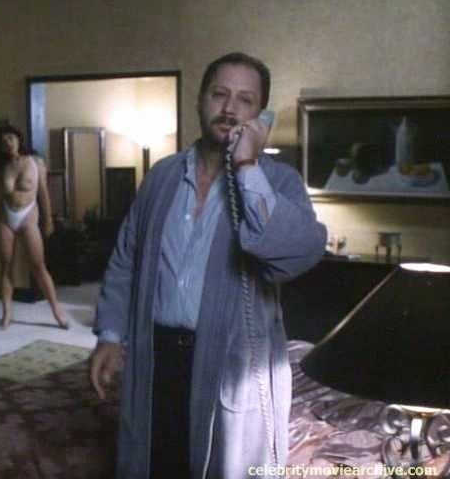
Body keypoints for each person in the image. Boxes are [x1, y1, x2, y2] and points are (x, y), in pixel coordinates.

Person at [89, 52, 327, 478]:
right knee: (155, 463)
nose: (230, 108)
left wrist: (247, 166)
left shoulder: (278, 181)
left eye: (245, 100)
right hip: (156, 354)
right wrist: (109, 336)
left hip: (231, 364)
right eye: (220, 94)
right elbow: (126, 259)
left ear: (261, 116)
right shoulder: (161, 176)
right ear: (200, 100)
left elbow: (298, 252)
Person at [0, 125, 68, 331]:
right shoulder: (3, 168)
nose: (8, 143)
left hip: (28, 218)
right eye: (3, 141)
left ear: (18, 139)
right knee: (6, 266)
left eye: (10, 138)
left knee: (38, 266)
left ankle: (57, 312)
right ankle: (6, 315)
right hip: (6, 218)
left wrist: (48, 220)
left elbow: (43, 194)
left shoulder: (35, 162)